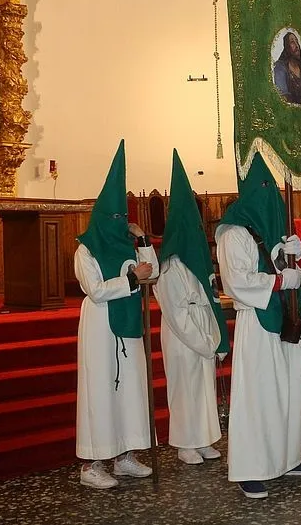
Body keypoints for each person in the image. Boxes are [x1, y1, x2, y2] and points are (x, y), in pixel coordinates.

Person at [215, 153, 301, 499]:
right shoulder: (233, 234)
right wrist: (279, 281)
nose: (269, 197)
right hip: (258, 323)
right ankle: (250, 468)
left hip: (287, 320)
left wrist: (300, 256)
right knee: (258, 395)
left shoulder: (278, 228)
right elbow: (236, 283)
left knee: (289, 392)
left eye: (271, 189)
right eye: (263, 189)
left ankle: (289, 457)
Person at [74, 140, 159, 489]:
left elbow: (152, 272)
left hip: (128, 326)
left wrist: (142, 240)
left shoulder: (127, 245)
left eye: (123, 218)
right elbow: (95, 290)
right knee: (101, 389)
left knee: (129, 389)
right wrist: (131, 279)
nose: (119, 223)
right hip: (100, 327)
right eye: (114, 217)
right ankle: (92, 464)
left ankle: (125, 456)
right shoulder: (86, 250)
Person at [153, 150, 229, 466]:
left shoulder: (196, 266)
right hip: (185, 340)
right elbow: (178, 315)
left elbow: (210, 302)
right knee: (186, 388)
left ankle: (204, 439)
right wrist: (204, 342)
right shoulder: (171, 269)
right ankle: (185, 443)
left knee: (204, 388)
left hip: (203, 336)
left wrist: (214, 339)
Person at [272, 31, 301, 105]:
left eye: (297, 42)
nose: (297, 46)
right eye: (292, 42)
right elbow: (283, 97)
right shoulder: (280, 67)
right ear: (287, 46)